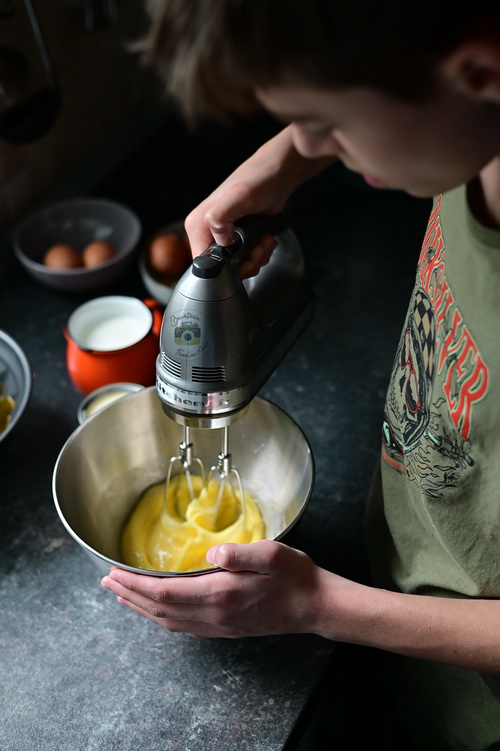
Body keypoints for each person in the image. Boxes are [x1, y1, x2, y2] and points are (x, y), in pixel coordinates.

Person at [101, 2, 500, 748]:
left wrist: (322, 606)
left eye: (325, 123)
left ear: (479, 72)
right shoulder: (471, 137)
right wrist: (285, 160)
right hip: (403, 603)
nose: (311, 143)